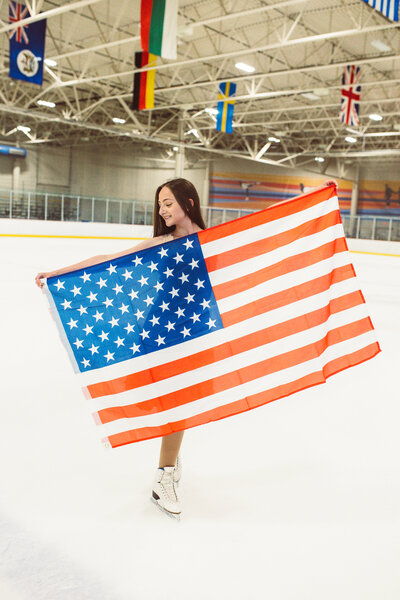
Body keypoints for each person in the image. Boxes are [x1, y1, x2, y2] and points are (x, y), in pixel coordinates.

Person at [35, 178, 206, 519]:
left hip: (196, 331)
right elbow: (110, 258)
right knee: (169, 402)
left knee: (181, 401)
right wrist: (59, 273)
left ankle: (169, 460)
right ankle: (164, 476)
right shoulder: (163, 242)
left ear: (188, 201)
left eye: (169, 202)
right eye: (160, 204)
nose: (163, 210)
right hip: (163, 331)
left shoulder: (215, 240)